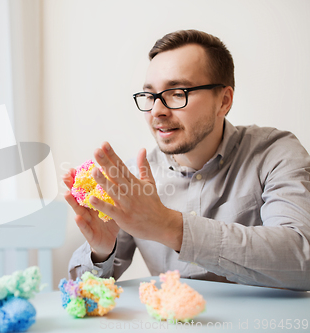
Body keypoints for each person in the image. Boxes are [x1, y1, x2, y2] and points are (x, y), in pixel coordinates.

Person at [65, 29, 310, 291]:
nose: (157, 111)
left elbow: (302, 259)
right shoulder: (134, 179)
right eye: (150, 96)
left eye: (177, 93)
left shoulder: (275, 152)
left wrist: (169, 226)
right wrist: (101, 253)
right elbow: (83, 292)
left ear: (224, 101)